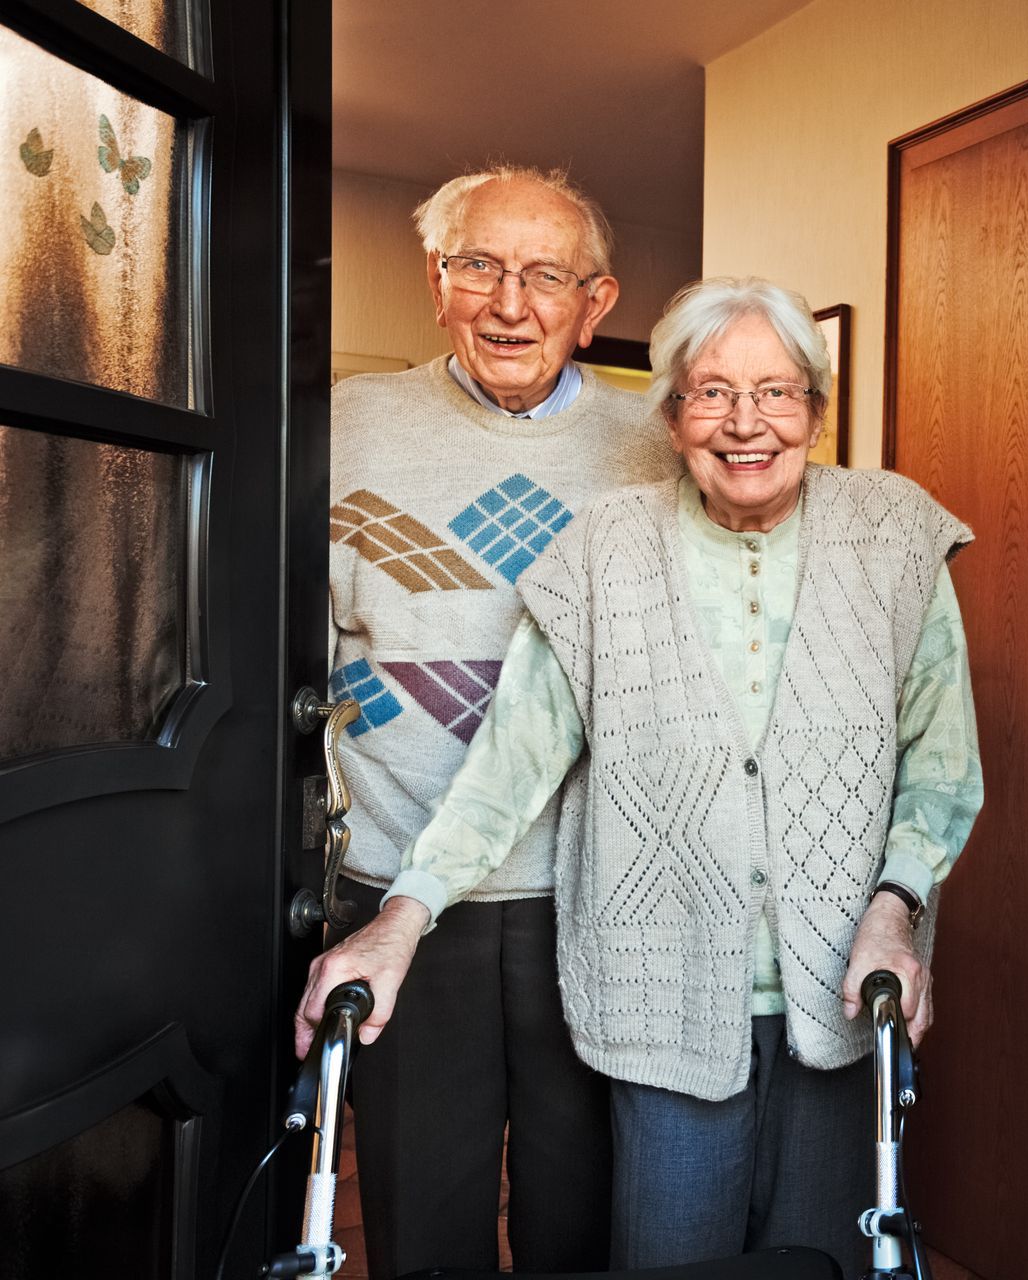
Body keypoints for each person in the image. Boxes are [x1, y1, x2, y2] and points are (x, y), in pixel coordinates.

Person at [320, 276, 983, 1274]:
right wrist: (400, 917)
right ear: (670, 415)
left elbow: (941, 760)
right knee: (669, 1257)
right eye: (712, 391)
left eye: (776, 391)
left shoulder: (893, 533)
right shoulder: (606, 548)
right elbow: (514, 759)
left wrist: (897, 905)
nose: (745, 421)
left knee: (822, 1258)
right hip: (662, 995)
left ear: (815, 407)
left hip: (845, 992)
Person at [299, 164, 679, 1277]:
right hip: (402, 885)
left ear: (596, 302)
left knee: (585, 1213)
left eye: (544, 275)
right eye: (479, 267)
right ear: (436, 281)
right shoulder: (339, 425)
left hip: (594, 890)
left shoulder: (657, 445)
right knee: (424, 1212)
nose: (510, 304)